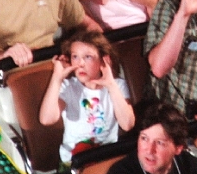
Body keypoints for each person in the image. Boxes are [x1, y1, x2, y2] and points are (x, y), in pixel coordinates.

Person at [39, 30, 135, 164]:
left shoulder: (117, 85)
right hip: (75, 159)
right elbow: (47, 119)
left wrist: (111, 85)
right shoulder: (68, 86)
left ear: (104, 60)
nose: (80, 64)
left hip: (107, 156)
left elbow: (127, 124)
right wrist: (57, 78)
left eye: (88, 57)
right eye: (75, 57)